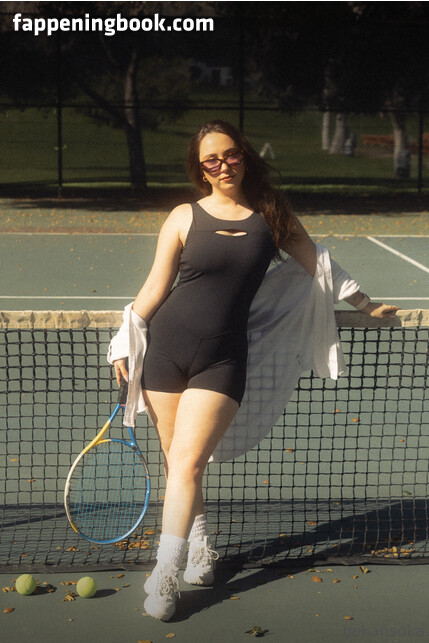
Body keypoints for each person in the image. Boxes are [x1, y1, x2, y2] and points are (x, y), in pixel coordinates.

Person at [109, 119, 399, 621]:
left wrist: (365, 304)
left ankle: (165, 575)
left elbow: (317, 262)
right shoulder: (182, 216)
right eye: (211, 160)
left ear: (244, 154)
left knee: (189, 463)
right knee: (179, 465)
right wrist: (124, 338)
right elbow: (156, 288)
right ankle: (200, 546)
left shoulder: (271, 214)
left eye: (231, 154)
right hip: (164, 352)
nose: (223, 165)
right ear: (200, 169)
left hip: (222, 360)